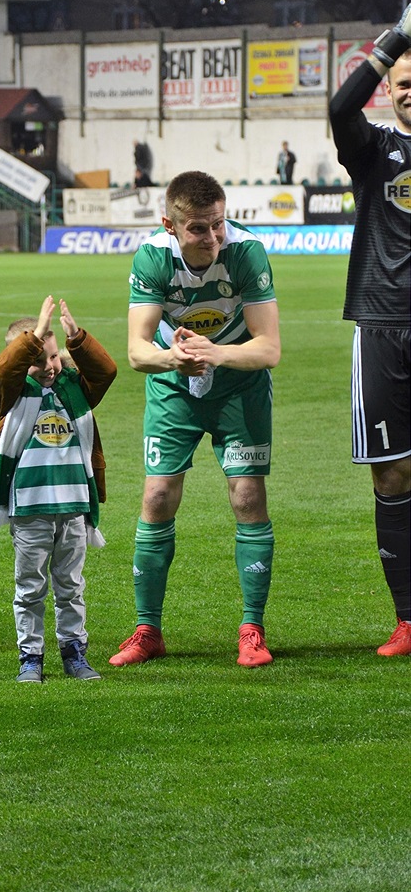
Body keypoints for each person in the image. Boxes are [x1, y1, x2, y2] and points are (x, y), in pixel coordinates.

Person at [109, 170, 281, 669]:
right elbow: (139, 352)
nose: (212, 238)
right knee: (157, 495)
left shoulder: (246, 253)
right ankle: (147, 630)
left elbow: (268, 348)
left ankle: (252, 628)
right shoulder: (152, 258)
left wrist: (216, 353)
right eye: (199, 229)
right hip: (174, 384)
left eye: (218, 225)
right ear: (170, 225)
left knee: (247, 496)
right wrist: (177, 360)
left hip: (239, 384)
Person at [0, 296, 117, 683]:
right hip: (30, 511)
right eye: (39, 358)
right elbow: (3, 374)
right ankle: (31, 658)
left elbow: (105, 372)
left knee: (71, 586)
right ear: (22, 359)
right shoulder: (12, 395)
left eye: (54, 357)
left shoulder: (74, 389)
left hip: (73, 508)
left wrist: (77, 338)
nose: (50, 367)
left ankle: (75, 654)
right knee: (30, 588)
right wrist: (33, 337)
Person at [328, 3, 411, 657]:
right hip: (381, 328)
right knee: (391, 475)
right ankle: (407, 618)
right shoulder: (374, 149)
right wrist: (394, 40)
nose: (407, 88)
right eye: (400, 80)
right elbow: (338, 108)